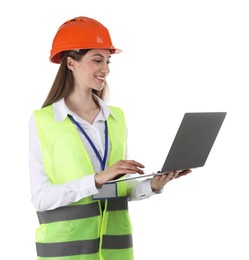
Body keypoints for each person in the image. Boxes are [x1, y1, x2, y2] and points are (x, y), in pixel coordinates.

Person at [29, 16, 192, 260]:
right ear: (71, 63)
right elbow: (41, 198)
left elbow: (117, 189)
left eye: (108, 60)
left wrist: (153, 185)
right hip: (66, 253)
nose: (106, 69)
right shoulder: (43, 121)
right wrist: (97, 179)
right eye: (97, 60)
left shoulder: (116, 118)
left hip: (116, 253)